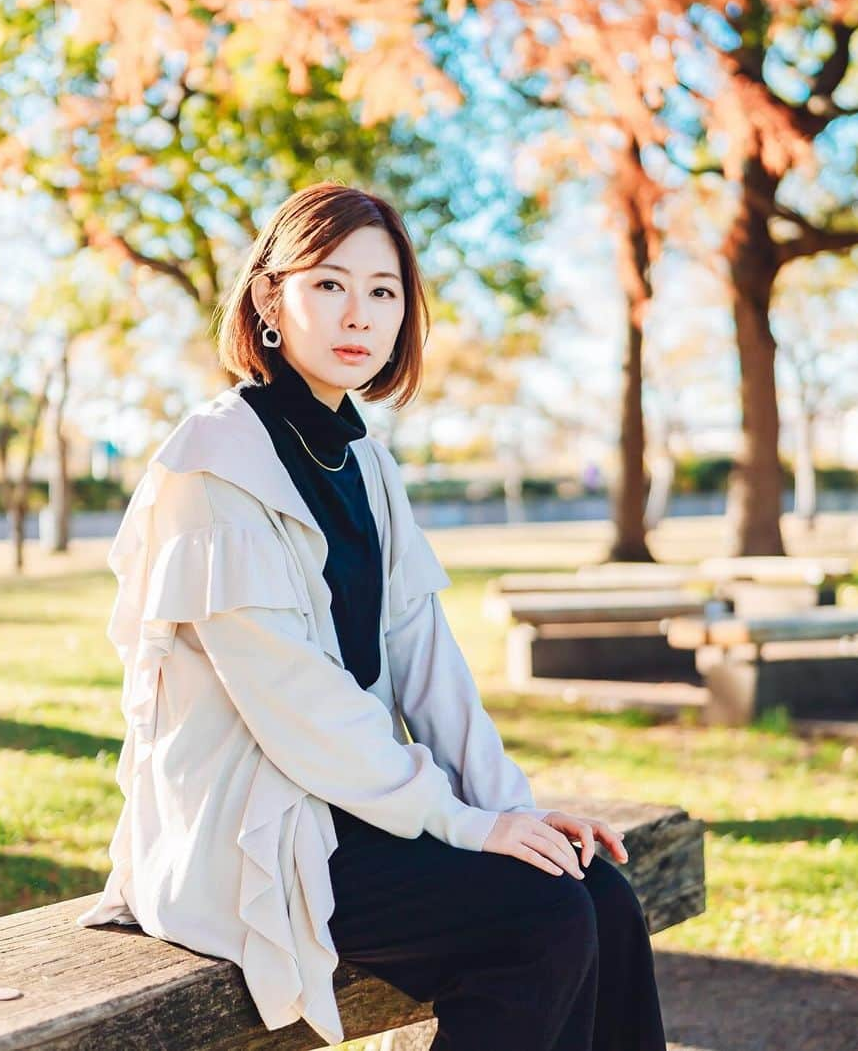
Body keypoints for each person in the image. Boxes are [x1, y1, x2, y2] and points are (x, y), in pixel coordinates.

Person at [77, 181, 668, 1050]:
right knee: (538, 921)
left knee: (599, 893)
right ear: (270, 298)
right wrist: (464, 822)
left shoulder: (366, 461)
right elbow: (295, 703)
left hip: (359, 799)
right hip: (262, 824)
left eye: (383, 291)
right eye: (329, 284)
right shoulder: (214, 466)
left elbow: (427, 657)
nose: (360, 313)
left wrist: (513, 810)